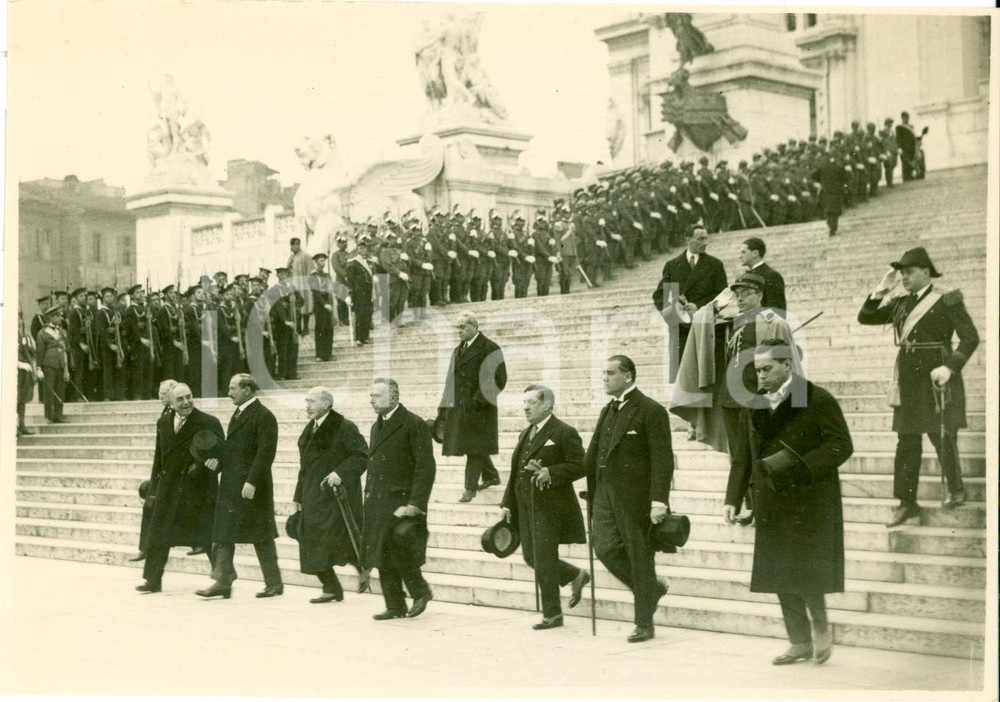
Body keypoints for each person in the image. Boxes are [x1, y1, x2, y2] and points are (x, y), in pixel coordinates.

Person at [723, 340, 853, 666]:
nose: (761, 375)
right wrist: (732, 498)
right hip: (770, 499)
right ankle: (799, 642)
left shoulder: (816, 398)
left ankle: (820, 625)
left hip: (809, 498)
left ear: (787, 365)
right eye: (757, 370)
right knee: (780, 573)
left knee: (806, 569)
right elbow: (742, 455)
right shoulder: (755, 404)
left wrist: (800, 466)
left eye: (767, 368)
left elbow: (841, 445)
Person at [857, 247, 979, 527]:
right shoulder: (900, 302)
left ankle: (955, 488)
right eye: (901, 273)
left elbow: (970, 338)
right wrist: (880, 290)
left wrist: (950, 367)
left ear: (926, 271)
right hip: (908, 380)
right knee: (907, 441)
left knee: (942, 436)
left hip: (937, 376)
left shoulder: (947, 299)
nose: (904, 277)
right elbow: (865, 317)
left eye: (909, 272)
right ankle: (906, 502)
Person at [583, 355, 672, 643]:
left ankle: (644, 623)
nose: (605, 378)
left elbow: (662, 459)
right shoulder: (608, 409)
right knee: (604, 548)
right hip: (604, 492)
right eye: (604, 373)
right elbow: (593, 453)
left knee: (640, 557)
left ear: (628, 376)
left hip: (635, 498)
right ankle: (650, 590)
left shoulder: (650, 410)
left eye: (610, 373)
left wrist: (659, 500)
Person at [500, 384, 590, 630]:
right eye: (524, 403)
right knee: (531, 557)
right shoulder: (525, 433)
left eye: (532, 402)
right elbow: (515, 472)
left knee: (543, 558)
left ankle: (553, 614)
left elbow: (581, 464)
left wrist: (552, 472)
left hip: (550, 507)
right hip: (525, 505)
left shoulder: (563, 432)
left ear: (548, 405)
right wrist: (508, 503)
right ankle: (574, 575)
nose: (525, 408)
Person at [195, 374, 283, 599]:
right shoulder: (238, 413)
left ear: (247, 390)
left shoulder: (264, 416)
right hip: (231, 486)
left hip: (252, 488)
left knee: (261, 535)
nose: (229, 393)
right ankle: (223, 582)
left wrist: (252, 481)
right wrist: (218, 463)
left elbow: (265, 453)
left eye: (233, 388)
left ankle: (274, 583)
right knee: (223, 533)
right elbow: (233, 450)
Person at [136, 383, 221, 594]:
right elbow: (159, 458)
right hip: (168, 488)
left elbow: (223, 452)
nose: (186, 402)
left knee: (207, 536)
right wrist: (153, 489)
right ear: (171, 403)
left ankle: (223, 581)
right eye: (180, 399)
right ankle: (152, 580)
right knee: (158, 535)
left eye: (189, 397)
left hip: (197, 490)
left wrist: (217, 462)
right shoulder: (163, 422)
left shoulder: (208, 421)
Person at [364, 377, 436, 620]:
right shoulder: (376, 426)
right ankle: (395, 605)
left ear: (393, 397)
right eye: (371, 396)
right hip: (378, 500)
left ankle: (421, 591)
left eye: (376, 396)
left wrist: (415, 504)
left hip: (401, 501)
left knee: (400, 550)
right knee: (382, 553)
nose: (371, 400)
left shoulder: (413, 423)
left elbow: (425, 467)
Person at [293, 387, 369, 602]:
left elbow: (361, 456)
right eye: (306, 401)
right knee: (308, 539)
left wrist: (340, 473)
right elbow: (304, 466)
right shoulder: (310, 428)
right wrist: (298, 495)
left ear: (326, 404)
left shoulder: (344, 426)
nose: (307, 406)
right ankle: (331, 586)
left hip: (336, 497)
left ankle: (362, 565)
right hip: (312, 495)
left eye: (311, 401)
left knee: (340, 539)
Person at [438, 311, 508, 503]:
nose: (459, 331)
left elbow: (499, 379)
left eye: (463, 327)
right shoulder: (458, 350)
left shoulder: (490, 348)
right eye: (457, 328)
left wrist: (477, 401)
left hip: (479, 409)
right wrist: (443, 405)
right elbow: (450, 380)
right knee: (475, 445)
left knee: (475, 447)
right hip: (460, 408)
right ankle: (491, 475)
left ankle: (470, 488)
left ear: (475, 326)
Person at [651, 225, 728, 380]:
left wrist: (699, 306)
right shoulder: (672, 265)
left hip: (705, 325)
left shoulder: (715, 264)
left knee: (705, 374)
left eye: (706, 239)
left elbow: (723, 295)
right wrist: (673, 313)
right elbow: (659, 296)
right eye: (700, 239)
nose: (705, 243)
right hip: (680, 328)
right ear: (688, 239)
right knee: (683, 377)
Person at [130, 379, 179, 562]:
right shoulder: (166, 412)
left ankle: (147, 548)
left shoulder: (178, 414)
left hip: (175, 476)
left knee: (151, 503)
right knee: (147, 496)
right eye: (159, 393)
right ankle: (145, 547)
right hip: (163, 472)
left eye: (164, 393)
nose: (160, 397)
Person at [35, 306, 70, 424]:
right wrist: (39, 367)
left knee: (60, 390)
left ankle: (58, 415)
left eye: (60, 315)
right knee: (49, 391)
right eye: (57, 316)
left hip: (61, 363)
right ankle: (49, 416)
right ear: (51, 317)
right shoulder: (43, 333)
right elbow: (40, 351)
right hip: (49, 364)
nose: (60, 318)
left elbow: (65, 348)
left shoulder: (62, 331)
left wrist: (66, 367)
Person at [738, 237, 786, 314]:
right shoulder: (746, 275)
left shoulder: (771, 275)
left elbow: (776, 309)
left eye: (743, 252)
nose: (740, 256)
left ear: (755, 253)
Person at [811, 152, 848, 237]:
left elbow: (813, 176)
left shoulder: (822, 167)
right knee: (835, 211)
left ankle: (829, 223)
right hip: (836, 192)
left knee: (828, 209)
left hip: (826, 191)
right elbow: (845, 179)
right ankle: (833, 228)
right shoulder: (839, 167)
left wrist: (821, 181)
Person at [346, 240, 375, 346]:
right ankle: (358, 337)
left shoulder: (370, 262)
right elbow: (350, 279)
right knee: (359, 314)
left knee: (367, 313)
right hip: (358, 292)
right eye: (360, 248)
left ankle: (365, 337)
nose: (362, 250)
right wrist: (350, 293)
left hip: (369, 291)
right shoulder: (353, 262)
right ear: (357, 249)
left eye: (364, 248)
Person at [16, 311, 40, 437]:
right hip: (14, 369)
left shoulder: (24, 335)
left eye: (19, 319)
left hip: (24, 369)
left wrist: (33, 369)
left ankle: (22, 425)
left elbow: (30, 352)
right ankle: (14, 427)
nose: (18, 322)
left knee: (22, 399)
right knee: (15, 399)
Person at [309, 253, 335, 362]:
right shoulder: (312, 276)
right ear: (315, 262)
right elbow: (315, 293)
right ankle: (319, 354)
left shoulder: (327, 275)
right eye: (320, 261)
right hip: (319, 305)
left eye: (324, 260)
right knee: (320, 329)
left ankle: (328, 353)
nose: (323, 263)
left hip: (328, 302)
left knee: (329, 329)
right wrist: (324, 304)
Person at [287, 237, 314, 335]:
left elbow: (311, 271)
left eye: (297, 244)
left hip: (304, 285)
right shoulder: (291, 258)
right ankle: (298, 328)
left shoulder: (306, 256)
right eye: (293, 245)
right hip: (294, 286)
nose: (294, 247)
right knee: (297, 307)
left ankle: (305, 328)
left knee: (305, 306)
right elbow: (288, 271)